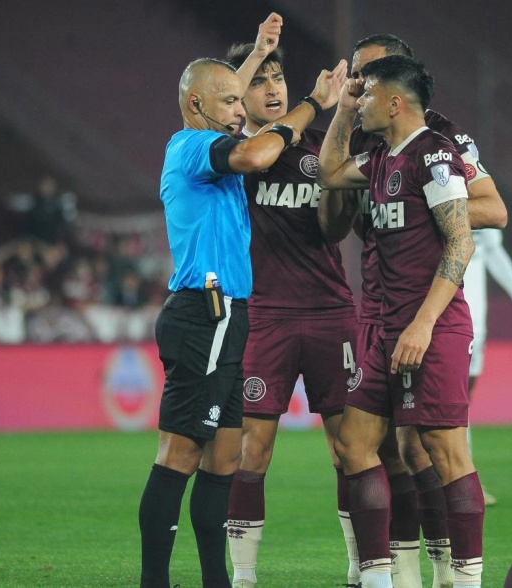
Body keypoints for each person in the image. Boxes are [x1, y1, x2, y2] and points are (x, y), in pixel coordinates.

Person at [137, 32, 344, 586]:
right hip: (203, 314)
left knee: (224, 461)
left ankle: (216, 580)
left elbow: (231, 113)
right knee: (177, 455)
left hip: (231, 316)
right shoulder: (190, 147)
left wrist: (254, 55)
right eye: (230, 102)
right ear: (198, 106)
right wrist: (313, 105)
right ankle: (153, 580)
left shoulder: (213, 153)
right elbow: (257, 150)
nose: (239, 111)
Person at [318, 34, 508, 588]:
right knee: (355, 445)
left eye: (367, 83)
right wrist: (343, 111)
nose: (359, 90)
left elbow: (462, 241)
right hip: (381, 324)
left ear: (396, 98)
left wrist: (423, 324)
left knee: (441, 449)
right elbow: (329, 173)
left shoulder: (439, 153)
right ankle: (379, 576)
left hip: (430, 324)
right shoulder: (378, 157)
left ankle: (461, 578)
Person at [220, 16, 357, 588]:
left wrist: (339, 125)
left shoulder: (319, 151)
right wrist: (258, 64)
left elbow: (336, 229)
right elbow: (241, 135)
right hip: (265, 316)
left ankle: (361, 568)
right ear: (239, 96)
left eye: (279, 77)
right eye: (260, 80)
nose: (273, 87)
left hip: (331, 312)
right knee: (253, 452)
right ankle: (246, 577)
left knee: (351, 449)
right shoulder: (231, 155)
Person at [463, 226, 512, 506]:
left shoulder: (479, 187)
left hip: (476, 322)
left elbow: (493, 251)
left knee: (461, 399)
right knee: (453, 398)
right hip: (443, 314)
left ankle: (459, 479)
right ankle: (462, 480)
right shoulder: (428, 186)